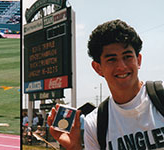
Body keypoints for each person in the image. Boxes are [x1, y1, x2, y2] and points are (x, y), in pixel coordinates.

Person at [47, 19, 164, 150]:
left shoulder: (160, 98)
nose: (122, 66)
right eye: (112, 59)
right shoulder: (96, 124)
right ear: (98, 68)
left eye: (127, 57)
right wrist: (75, 147)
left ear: (139, 60)